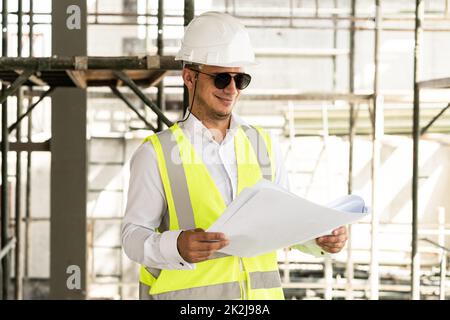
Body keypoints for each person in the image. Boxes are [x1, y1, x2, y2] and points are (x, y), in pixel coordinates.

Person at [121, 11, 348, 300]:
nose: (231, 89)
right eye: (221, 78)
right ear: (189, 77)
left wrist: (318, 238)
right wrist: (175, 246)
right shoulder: (156, 154)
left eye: (240, 79)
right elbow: (132, 237)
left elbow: (283, 223)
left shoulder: (263, 145)